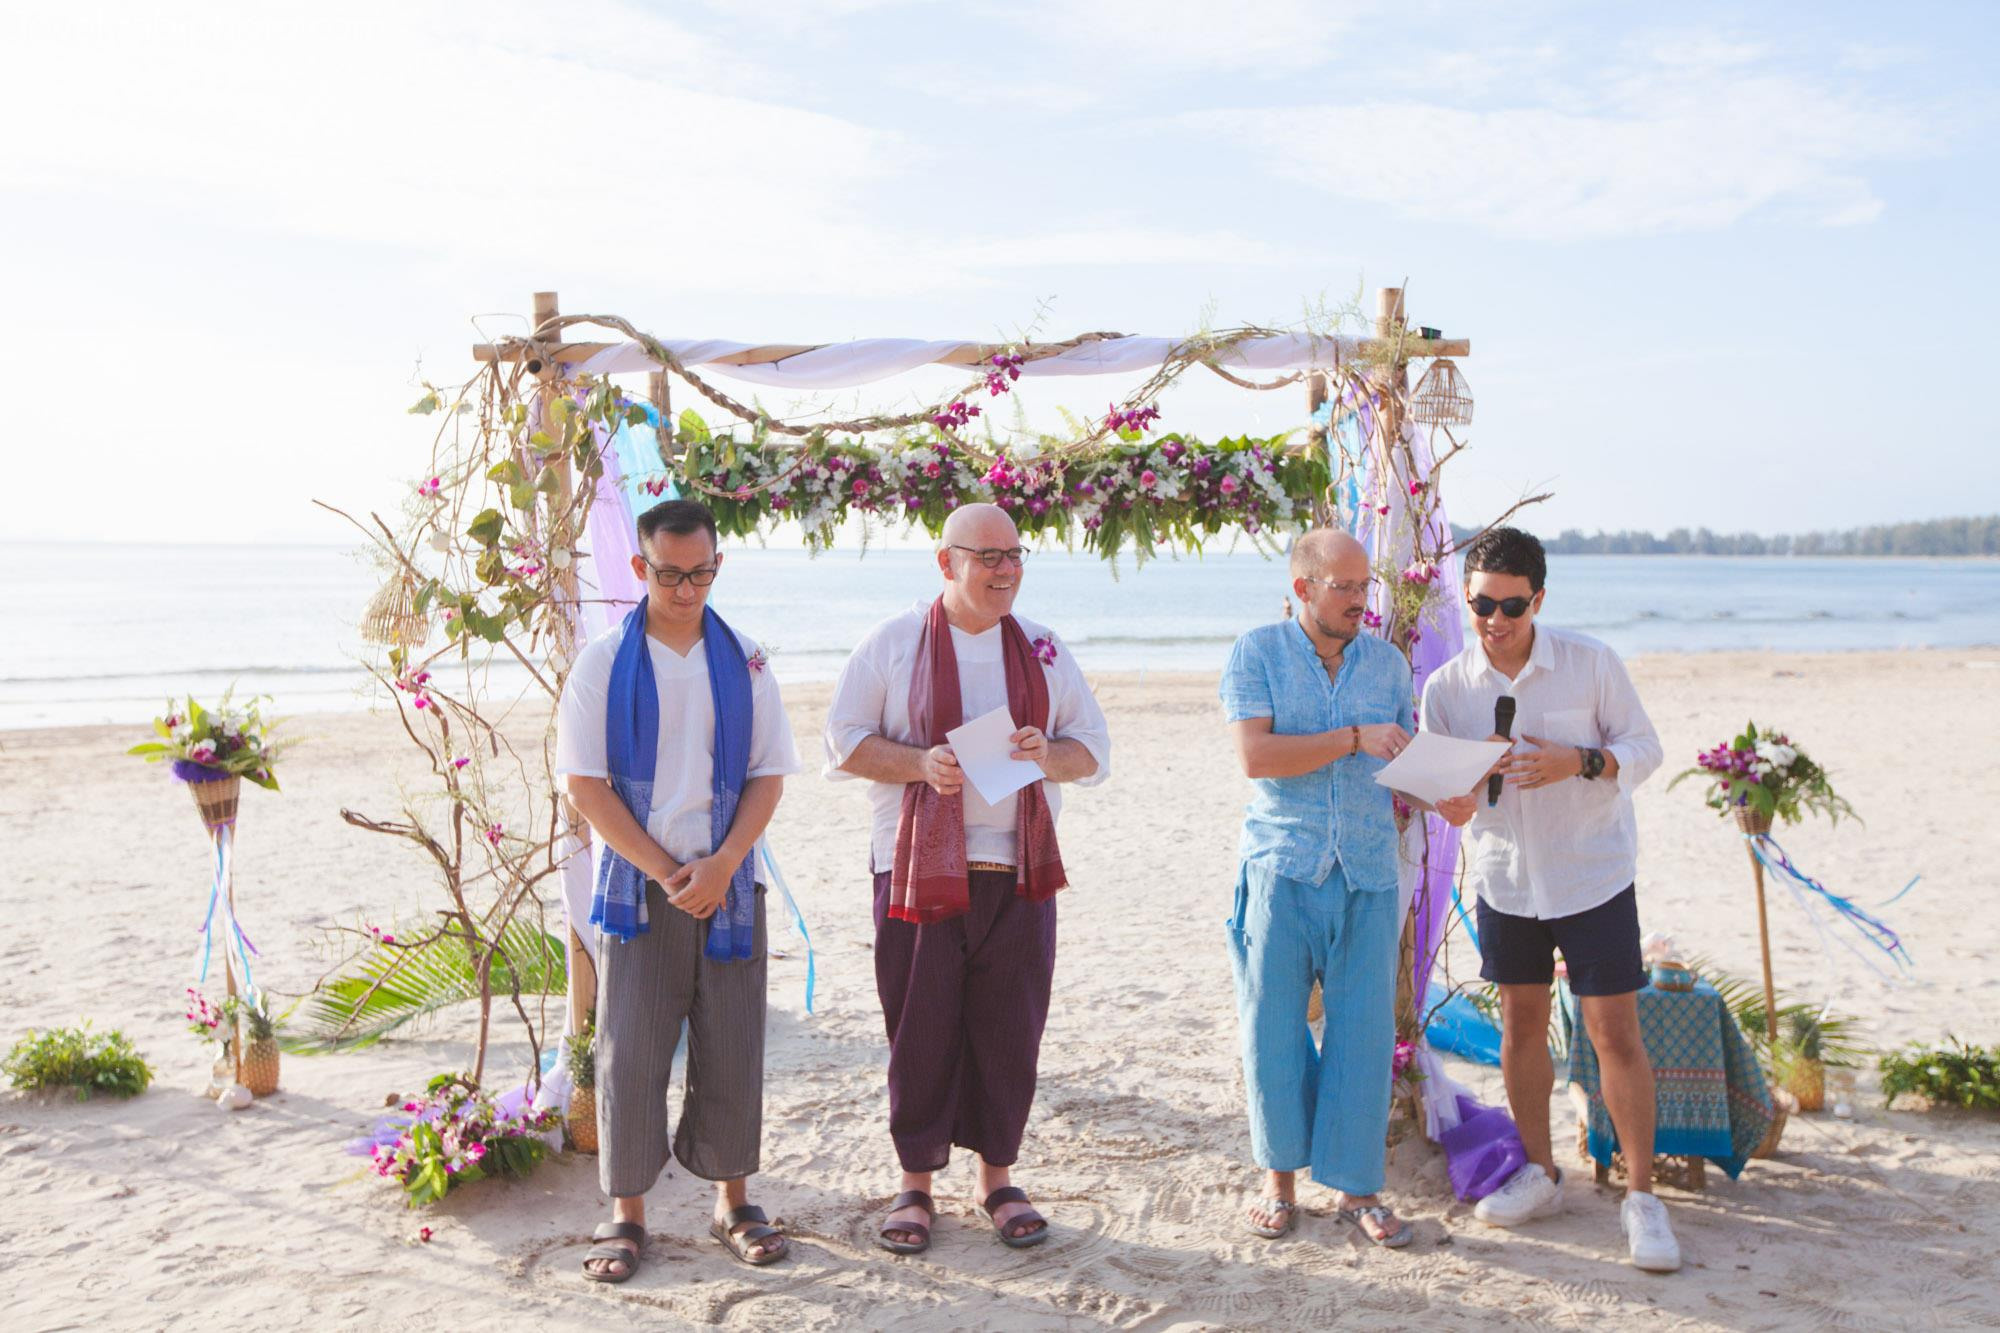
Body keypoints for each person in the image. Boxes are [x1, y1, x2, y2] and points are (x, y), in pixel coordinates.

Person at [824, 503, 1111, 1255]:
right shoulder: (892, 644)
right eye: (987, 556)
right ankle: (916, 1182)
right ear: (945, 562)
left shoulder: (1045, 649)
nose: (1004, 568)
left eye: (1015, 554)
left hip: (1019, 868)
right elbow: (844, 742)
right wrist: (920, 762)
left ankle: (998, 1177)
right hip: (916, 868)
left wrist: (1045, 752)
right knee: (919, 1024)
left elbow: (1093, 752)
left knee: (1010, 1027)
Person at [556, 498, 801, 1282]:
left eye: (700, 573)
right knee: (629, 1051)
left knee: (732, 1043)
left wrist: (726, 861)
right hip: (639, 883)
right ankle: (626, 1212)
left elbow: (769, 773)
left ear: (716, 566)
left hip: (728, 883)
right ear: (640, 568)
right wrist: (667, 870)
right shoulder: (601, 662)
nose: (686, 589)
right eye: (669, 574)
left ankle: (734, 1200)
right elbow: (584, 785)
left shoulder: (747, 660)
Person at [1421, 526, 1679, 1273]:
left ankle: (1642, 1198)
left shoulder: (1591, 662)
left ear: (1539, 597)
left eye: (1510, 605)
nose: (1495, 621)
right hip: (1505, 879)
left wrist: (1580, 760)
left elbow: (1646, 750)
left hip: (1592, 874)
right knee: (1519, 1026)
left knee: (1613, 1034)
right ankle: (1540, 1173)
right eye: (1480, 605)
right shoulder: (1448, 688)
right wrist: (1454, 803)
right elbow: (1447, 789)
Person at [1219, 528, 1419, 1248]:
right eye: (1345, 587)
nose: (1360, 600)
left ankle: (1357, 1187)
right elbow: (1256, 756)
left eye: (1366, 586)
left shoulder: (1389, 666)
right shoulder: (1257, 653)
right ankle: (1277, 1180)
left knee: (1364, 1035)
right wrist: (1350, 738)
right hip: (1282, 865)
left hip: (1368, 868)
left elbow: (1402, 759)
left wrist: (1444, 793)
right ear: (1303, 588)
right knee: (1271, 1027)